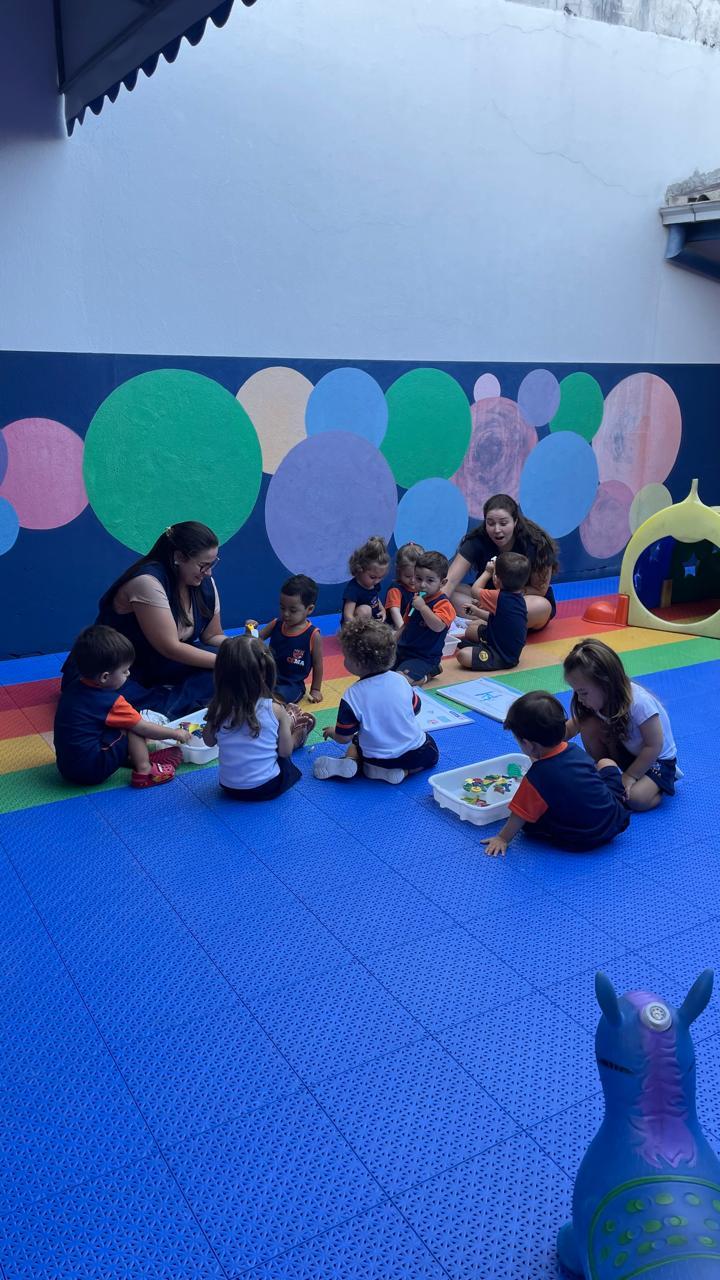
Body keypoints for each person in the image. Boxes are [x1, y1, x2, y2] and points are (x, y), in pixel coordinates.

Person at [73, 522, 226, 720]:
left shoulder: (203, 582)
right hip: (120, 668)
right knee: (102, 696)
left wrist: (246, 649)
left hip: (160, 664)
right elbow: (170, 648)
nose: (209, 572)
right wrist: (230, 661)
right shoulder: (147, 582)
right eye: (203, 565)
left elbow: (212, 635)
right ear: (179, 557)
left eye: (213, 564)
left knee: (231, 670)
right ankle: (166, 711)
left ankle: (172, 706)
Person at [482, 690, 629, 856]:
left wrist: (502, 838)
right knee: (606, 763)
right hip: (614, 821)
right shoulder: (575, 749)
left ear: (528, 744)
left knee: (529, 824)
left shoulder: (536, 777)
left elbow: (519, 815)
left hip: (582, 838)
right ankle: (624, 797)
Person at [53, 625, 191, 789]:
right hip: (92, 770)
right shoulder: (112, 702)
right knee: (132, 724)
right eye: (124, 671)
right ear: (105, 677)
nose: (128, 674)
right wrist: (175, 733)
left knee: (117, 721)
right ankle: (145, 771)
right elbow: (144, 728)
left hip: (67, 767)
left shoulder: (72, 689)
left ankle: (131, 755)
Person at [312, 617, 439, 784]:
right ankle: (404, 772)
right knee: (432, 753)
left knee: (356, 741)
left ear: (356, 664)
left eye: (345, 657)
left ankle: (352, 760)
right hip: (413, 754)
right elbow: (416, 708)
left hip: (375, 758)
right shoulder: (400, 680)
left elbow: (344, 737)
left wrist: (332, 732)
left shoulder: (352, 695)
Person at [563, 638, 678, 812]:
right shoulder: (598, 700)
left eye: (583, 693)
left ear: (606, 684)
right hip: (627, 751)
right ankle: (605, 771)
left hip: (656, 760)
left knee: (636, 799)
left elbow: (654, 745)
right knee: (588, 723)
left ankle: (660, 787)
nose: (579, 699)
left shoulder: (640, 704)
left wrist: (631, 775)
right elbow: (570, 728)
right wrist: (546, 744)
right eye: (577, 692)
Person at [202, 635, 309, 801]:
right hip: (267, 787)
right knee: (284, 754)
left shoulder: (218, 709)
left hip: (229, 787)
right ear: (266, 673)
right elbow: (285, 752)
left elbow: (208, 742)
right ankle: (296, 734)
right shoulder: (274, 709)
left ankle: (289, 725)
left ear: (221, 674)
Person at [445, 493, 558, 631]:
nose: (497, 530)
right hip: (487, 600)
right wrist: (435, 606)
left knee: (541, 606)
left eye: (503, 523)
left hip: (519, 601)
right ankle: (489, 622)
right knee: (447, 590)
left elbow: (540, 590)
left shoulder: (536, 544)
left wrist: (501, 598)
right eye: (490, 523)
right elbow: (450, 580)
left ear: (515, 521)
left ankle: (483, 621)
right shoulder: (477, 540)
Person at [456, 551, 530, 671]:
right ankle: (480, 646)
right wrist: (477, 611)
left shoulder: (498, 596)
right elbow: (498, 620)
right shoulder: (519, 597)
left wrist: (487, 572)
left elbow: (474, 590)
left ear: (496, 579)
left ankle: (486, 654)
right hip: (500, 639)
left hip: (503, 656)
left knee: (462, 655)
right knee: (471, 630)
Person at [259, 574, 324, 705]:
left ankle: (277, 709)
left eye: (293, 610)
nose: (286, 614)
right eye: (282, 608)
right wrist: (249, 630)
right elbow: (255, 640)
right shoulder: (276, 624)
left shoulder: (313, 634)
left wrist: (316, 689)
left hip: (292, 684)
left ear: (309, 609)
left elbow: (318, 664)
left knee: (277, 698)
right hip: (269, 676)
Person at [394, 551, 456, 685]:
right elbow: (406, 625)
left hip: (424, 657)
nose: (422, 585)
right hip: (403, 650)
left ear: (442, 583)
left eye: (430, 580)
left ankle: (429, 674)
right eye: (418, 578)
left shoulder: (443, 604)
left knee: (400, 680)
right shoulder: (416, 599)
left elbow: (438, 626)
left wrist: (423, 608)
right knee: (379, 671)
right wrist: (391, 641)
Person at [342, 535, 390, 623]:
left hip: (373, 623)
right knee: (365, 610)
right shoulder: (353, 589)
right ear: (360, 569)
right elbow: (347, 615)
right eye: (372, 577)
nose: (377, 581)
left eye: (380, 577)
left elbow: (374, 598)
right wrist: (356, 627)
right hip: (356, 626)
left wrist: (382, 609)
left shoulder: (373, 583)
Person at [385, 541, 423, 632]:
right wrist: (403, 632)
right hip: (394, 628)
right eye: (408, 576)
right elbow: (395, 612)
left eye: (417, 576)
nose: (413, 580)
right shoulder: (396, 589)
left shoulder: (422, 589)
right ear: (399, 571)